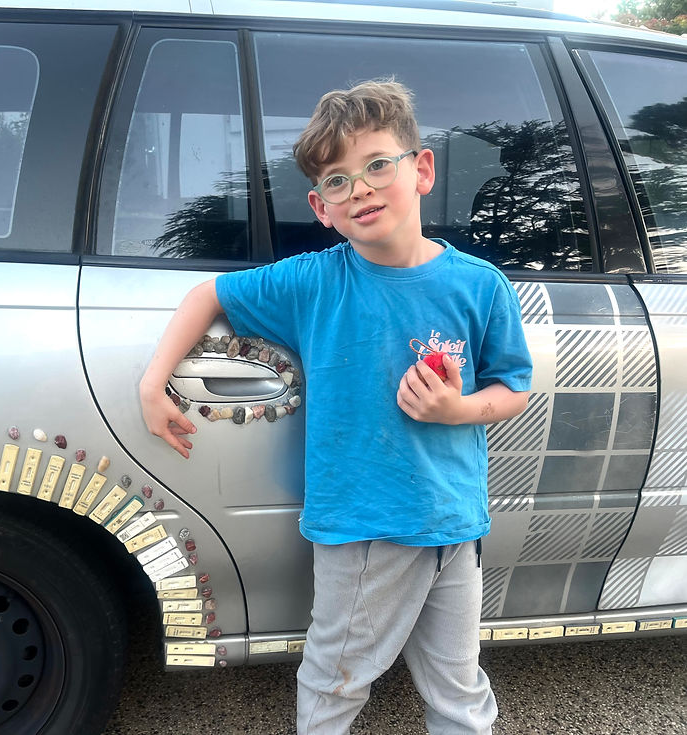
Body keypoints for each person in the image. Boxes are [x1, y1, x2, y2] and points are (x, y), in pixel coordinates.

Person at [139, 79, 532, 735]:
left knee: (460, 688)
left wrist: (453, 411)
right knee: (334, 683)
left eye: (379, 164)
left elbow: (512, 387)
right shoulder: (314, 280)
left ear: (422, 169)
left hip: (455, 522)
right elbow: (207, 294)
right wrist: (154, 384)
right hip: (362, 527)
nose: (363, 188)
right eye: (339, 181)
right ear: (322, 208)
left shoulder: (481, 285)